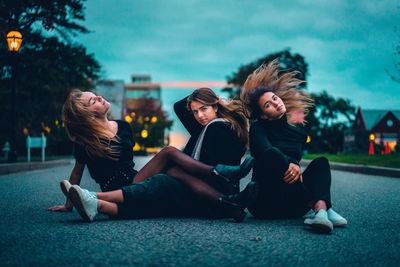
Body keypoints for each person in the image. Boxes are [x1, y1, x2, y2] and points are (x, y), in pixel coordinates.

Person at [54, 88, 256, 221]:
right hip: (116, 188)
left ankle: (227, 201)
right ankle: (219, 175)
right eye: (92, 101)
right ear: (89, 114)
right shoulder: (86, 141)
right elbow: (76, 173)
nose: (99, 97)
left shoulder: (123, 127)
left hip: (135, 179)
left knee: (174, 171)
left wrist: (216, 101)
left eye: (95, 94)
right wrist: (68, 203)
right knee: (169, 154)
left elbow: (127, 164)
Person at [240, 60, 347, 233]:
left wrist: (294, 165)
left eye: (274, 98)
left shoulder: (298, 131)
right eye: (268, 105)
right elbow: (266, 152)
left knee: (321, 162)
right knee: (273, 154)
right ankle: (322, 209)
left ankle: (321, 211)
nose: (275, 103)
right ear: (263, 116)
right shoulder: (259, 128)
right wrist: (292, 162)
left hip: (294, 206)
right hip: (264, 204)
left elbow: (295, 169)